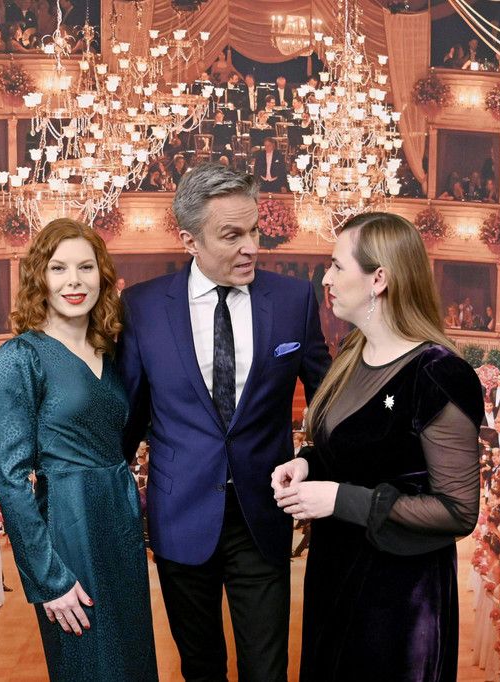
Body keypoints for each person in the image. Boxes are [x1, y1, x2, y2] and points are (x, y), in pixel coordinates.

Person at [117, 163, 330, 681]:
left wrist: (314, 461)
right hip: (180, 516)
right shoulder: (143, 306)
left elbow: (329, 401)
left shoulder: (293, 300)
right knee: (201, 668)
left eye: (254, 230)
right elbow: (129, 418)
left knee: (267, 671)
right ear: (190, 240)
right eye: (232, 235)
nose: (251, 247)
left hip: (262, 516)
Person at [271, 212, 482, 680]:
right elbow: (354, 449)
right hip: (335, 576)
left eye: (336, 266)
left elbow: (458, 511)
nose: (325, 279)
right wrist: (307, 464)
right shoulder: (352, 351)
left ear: (379, 279)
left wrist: (339, 499)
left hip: (398, 602)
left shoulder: (438, 373)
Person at [0, 218, 157, 681]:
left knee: (133, 663)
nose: (74, 281)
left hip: (120, 524)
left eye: (85, 267)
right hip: (69, 527)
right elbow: (9, 479)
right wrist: (49, 579)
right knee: (91, 666)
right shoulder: (20, 357)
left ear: (102, 275)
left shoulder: (113, 353)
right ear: (39, 277)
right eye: (58, 268)